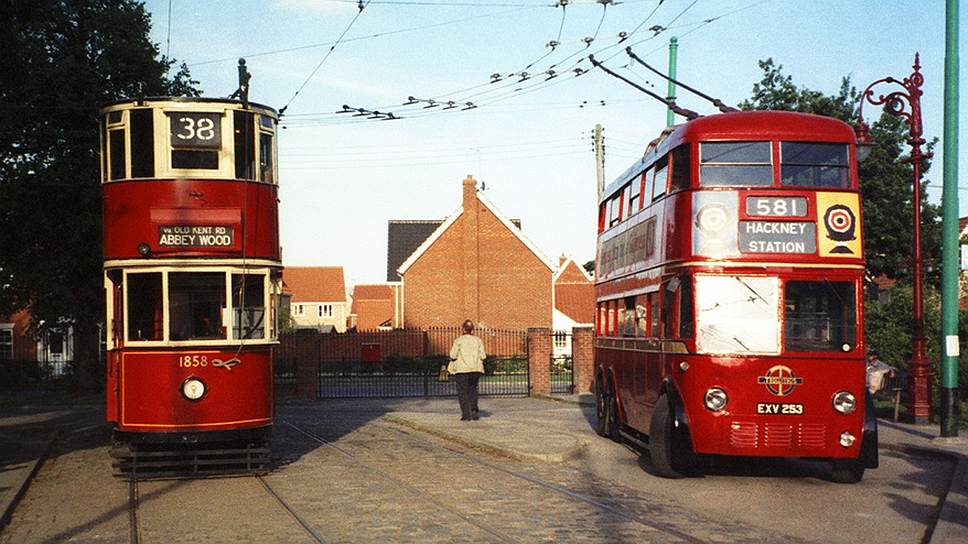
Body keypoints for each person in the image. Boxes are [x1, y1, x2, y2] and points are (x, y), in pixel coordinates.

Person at [448, 319, 486, 421]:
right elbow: (483, 356)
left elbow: (453, 355)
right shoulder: (478, 340)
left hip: (462, 370)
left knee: (462, 392)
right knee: (473, 390)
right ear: (472, 330)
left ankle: (466, 414)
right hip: (475, 369)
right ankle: (474, 409)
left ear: (463, 329)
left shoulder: (459, 341)